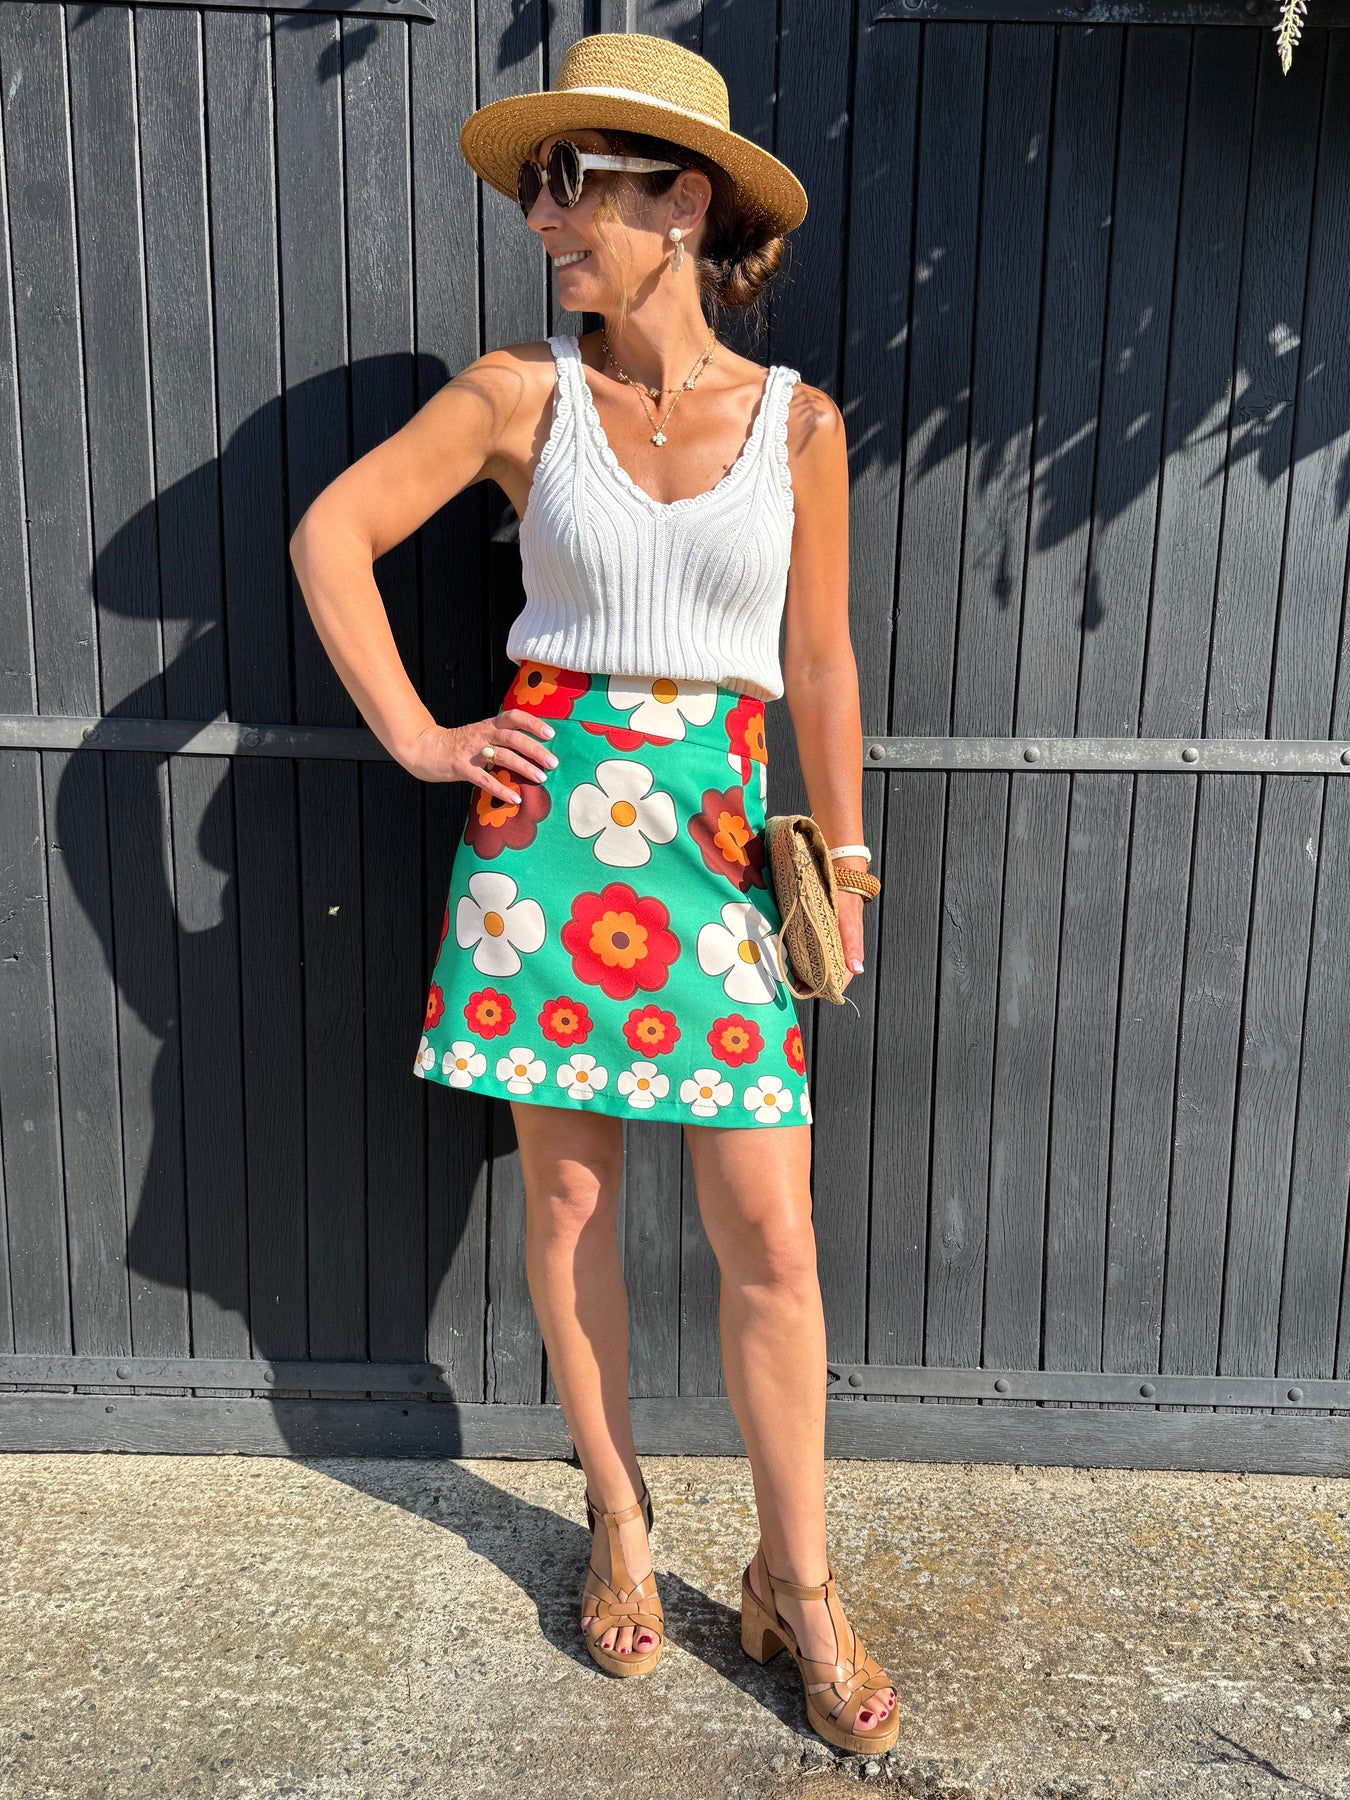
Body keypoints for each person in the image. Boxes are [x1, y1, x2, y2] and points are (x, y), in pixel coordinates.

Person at [289, 29, 897, 1757]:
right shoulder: (518, 398)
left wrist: (846, 855)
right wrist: (422, 737)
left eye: (573, 186)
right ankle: (617, 1517)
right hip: (544, 849)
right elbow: (331, 536)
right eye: (540, 187)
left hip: (718, 845)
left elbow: (819, 661)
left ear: (679, 202)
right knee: (564, 1208)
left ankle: (795, 1578)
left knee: (769, 1231)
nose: (542, 218)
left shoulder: (797, 424)